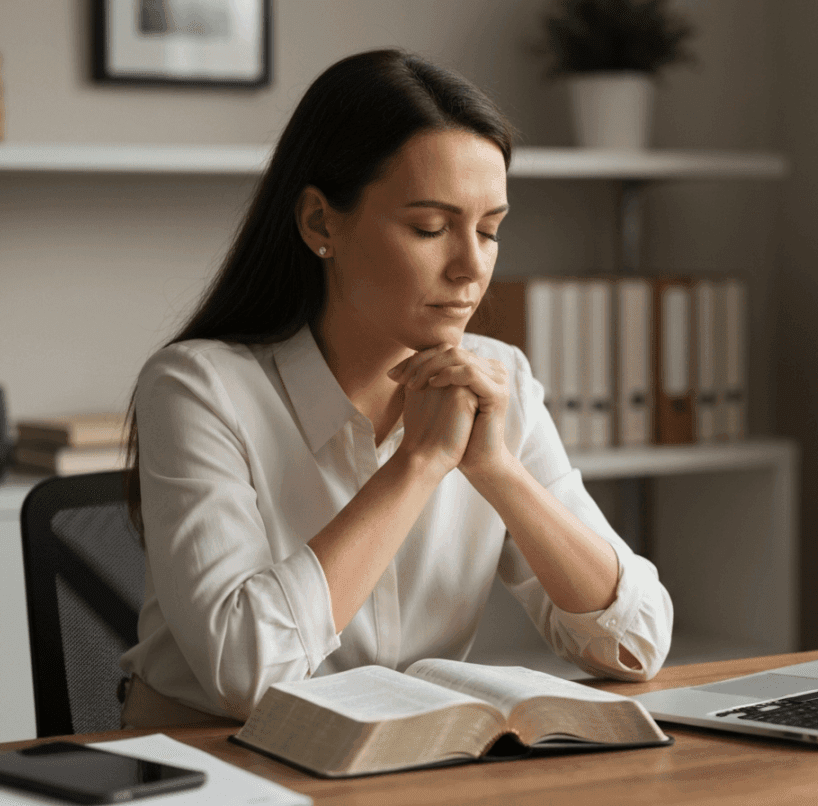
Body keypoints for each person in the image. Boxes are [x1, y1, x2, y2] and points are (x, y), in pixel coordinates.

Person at [117, 49, 673, 727]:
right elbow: (244, 672)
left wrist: (497, 470)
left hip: (401, 771)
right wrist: (418, 464)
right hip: (216, 769)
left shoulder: (501, 383)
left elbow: (636, 643)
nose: (471, 267)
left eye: (490, 230)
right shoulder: (199, 387)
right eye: (429, 229)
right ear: (321, 223)